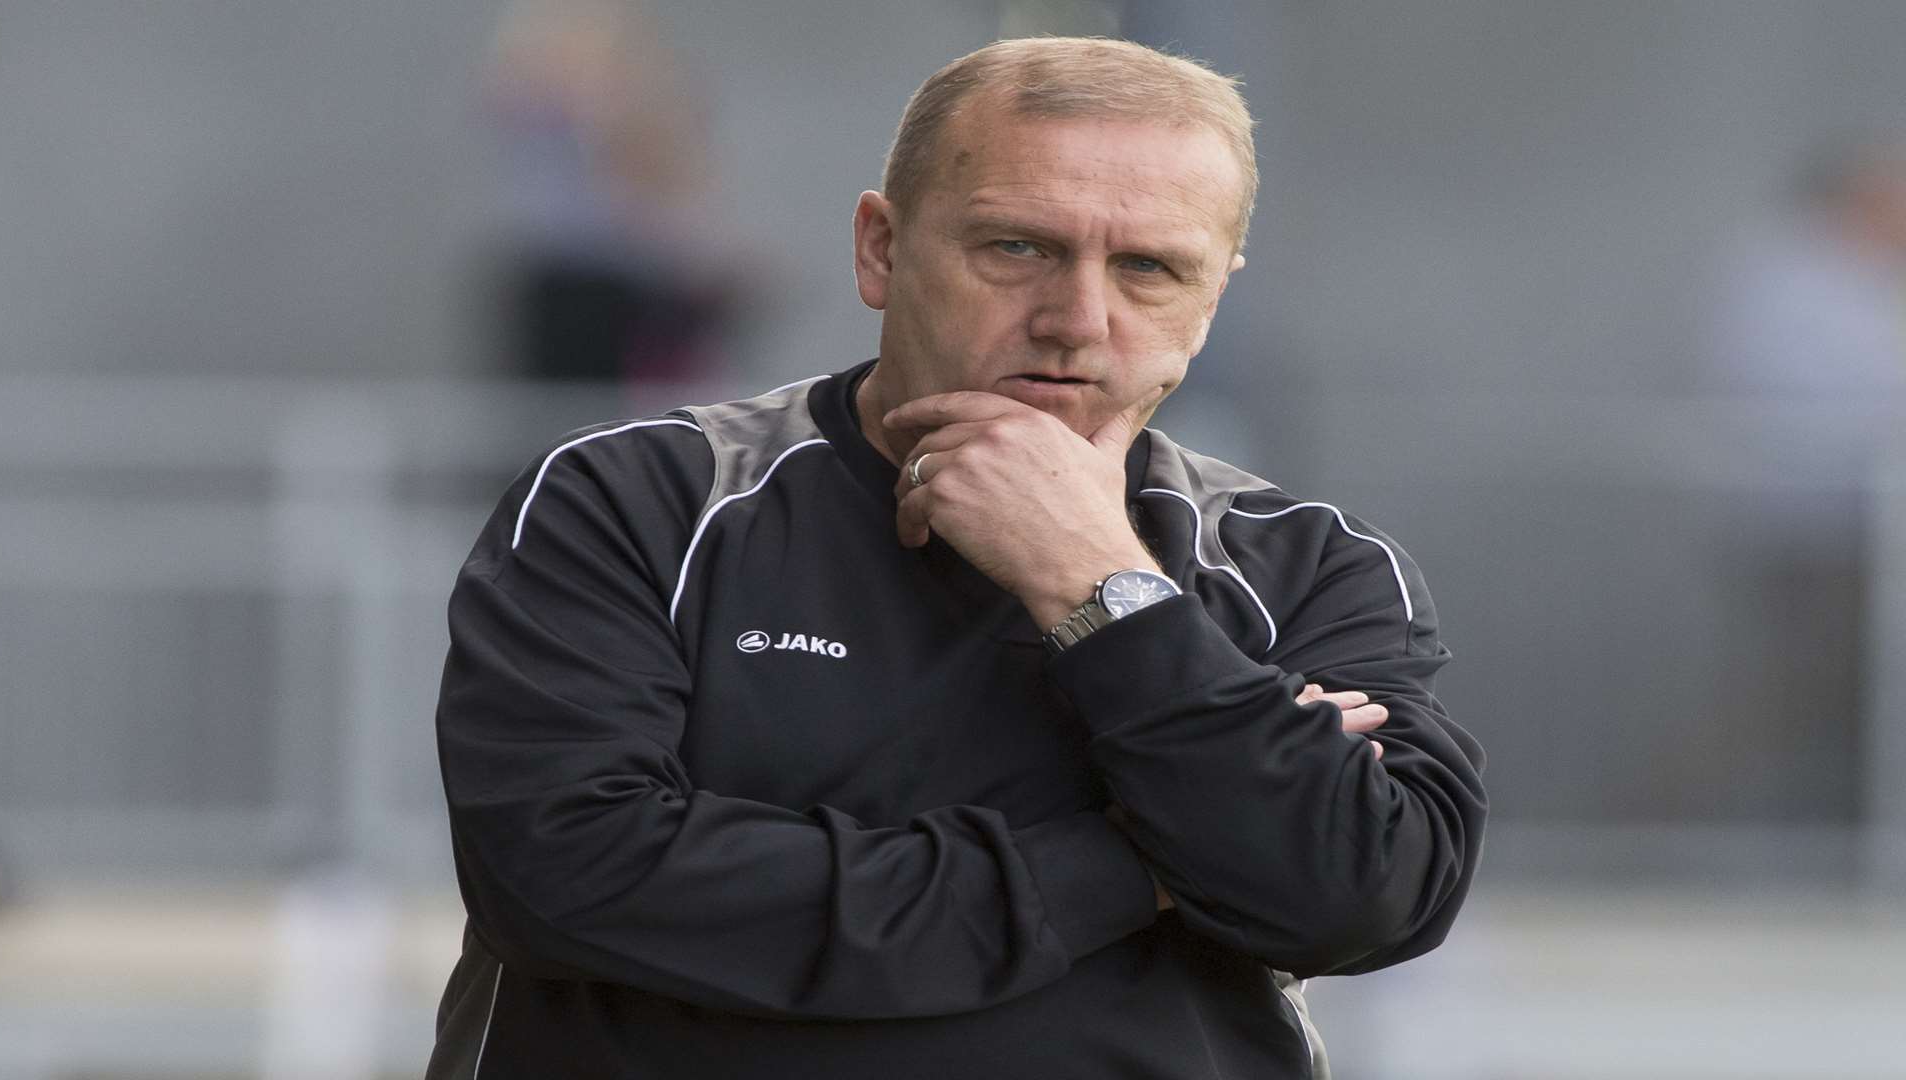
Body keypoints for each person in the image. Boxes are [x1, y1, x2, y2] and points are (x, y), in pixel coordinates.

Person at [425, 37, 1486, 1080]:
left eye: (1150, 268)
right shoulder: (637, 503)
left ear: (1211, 300)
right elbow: (569, 878)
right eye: (1017, 248)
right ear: (881, 250)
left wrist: (1098, 583)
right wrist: (1130, 863)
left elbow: (1359, 897)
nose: (1078, 320)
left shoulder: (1306, 564)